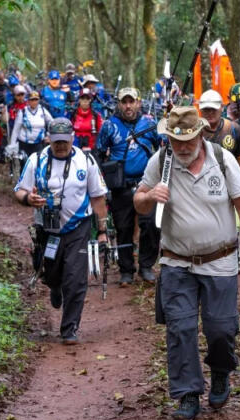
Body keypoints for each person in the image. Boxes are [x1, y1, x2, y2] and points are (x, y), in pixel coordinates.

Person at [133, 107, 240, 420]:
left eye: (188, 139)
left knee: (221, 328)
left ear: (201, 134)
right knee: (181, 328)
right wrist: (150, 197)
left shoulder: (221, 159)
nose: (182, 147)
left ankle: (220, 371)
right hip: (177, 262)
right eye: (176, 140)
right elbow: (139, 202)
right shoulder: (161, 161)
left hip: (220, 260)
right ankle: (188, 394)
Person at [13, 118, 109, 345]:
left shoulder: (86, 161)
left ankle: (69, 328)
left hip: (78, 226)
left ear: (72, 138)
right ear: (49, 139)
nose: (61, 146)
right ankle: (55, 286)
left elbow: (98, 197)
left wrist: (102, 230)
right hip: (47, 229)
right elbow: (19, 191)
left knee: (76, 279)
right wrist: (28, 199)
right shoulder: (36, 160)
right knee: (52, 273)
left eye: (65, 141)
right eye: (56, 141)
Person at [95, 87, 162, 285]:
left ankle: (146, 266)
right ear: (119, 104)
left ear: (138, 103)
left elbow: (163, 145)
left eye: (131, 101)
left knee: (150, 225)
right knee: (123, 227)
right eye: (124, 102)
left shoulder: (149, 124)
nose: (128, 106)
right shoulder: (109, 126)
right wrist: (103, 181)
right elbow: (99, 153)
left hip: (146, 184)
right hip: (121, 186)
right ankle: (126, 270)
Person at [199, 90, 240, 192]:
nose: (210, 113)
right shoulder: (194, 131)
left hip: (230, 187)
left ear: (222, 107)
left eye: (213, 109)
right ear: (200, 109)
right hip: (201, 188)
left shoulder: (235, 130)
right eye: (206, 109)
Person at [7, 90, 53, 172]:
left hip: (38, 143)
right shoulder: (23, 112)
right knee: (25, 166)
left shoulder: (42, 110)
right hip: (24, 144)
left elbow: (51, 122)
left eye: (36, 99)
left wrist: (50, 135)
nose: (34, 102)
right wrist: (12, 145)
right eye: (32, 100)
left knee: (38, 165)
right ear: (28, 101)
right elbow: (16, 129)